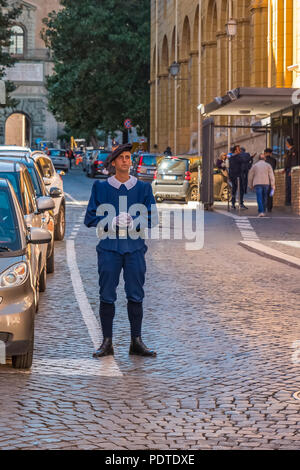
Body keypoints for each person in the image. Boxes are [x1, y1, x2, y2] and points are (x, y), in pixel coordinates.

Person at [84, 143, 158, 358]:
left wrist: (135, 221)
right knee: (107, 295)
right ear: (114, 162)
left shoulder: (143, 188)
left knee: (136, 295)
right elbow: (90, 218)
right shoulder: (101, 188)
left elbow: (153, 218)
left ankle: (136, 341)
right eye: (122, 158)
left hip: (134, 248)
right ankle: (107, 342)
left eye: (128, 157)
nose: (126, 160)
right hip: (109, 248)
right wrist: (111, 220)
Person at [248, 153, 275, 217]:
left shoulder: (255, 166)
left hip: (257, 183)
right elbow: (271, 175)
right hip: (266, 183)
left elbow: (250, 176)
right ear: (265, 158)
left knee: (259, 197)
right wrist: (273, 184)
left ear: (258, 159)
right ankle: (263, 210)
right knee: (265, 197)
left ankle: (261, 211)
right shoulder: (268, 165)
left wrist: (250, 185)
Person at [229, 145, 247, 210]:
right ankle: (238, 203)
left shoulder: (231, 158)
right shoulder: (238, 157)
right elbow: (244, 160)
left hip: (236, 175)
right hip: (237, 176)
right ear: (236, 151)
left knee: (235, 189)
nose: (240, 151)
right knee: (239, 189)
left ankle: (234, 203)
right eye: (239, 149)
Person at [284, 137, 298, 206]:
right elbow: (287, 161)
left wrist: (291, 170)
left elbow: (293, 161)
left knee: (289, 185)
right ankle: (287, 200)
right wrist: (284, 168)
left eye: (287, 142)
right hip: (287, 169)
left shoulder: (293, 150)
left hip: (290, 169)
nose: (286, 144)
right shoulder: (288, 151)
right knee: (287, 185)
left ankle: (288, 201)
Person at [264, 148, 277, 212]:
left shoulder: (264, 160)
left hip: (264, 178)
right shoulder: (274, 160)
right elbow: (274, 168)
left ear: (266, 153)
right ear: (270, 153)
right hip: (271, 178)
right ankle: (270, 207)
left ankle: (264, 205)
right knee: (270, 193)